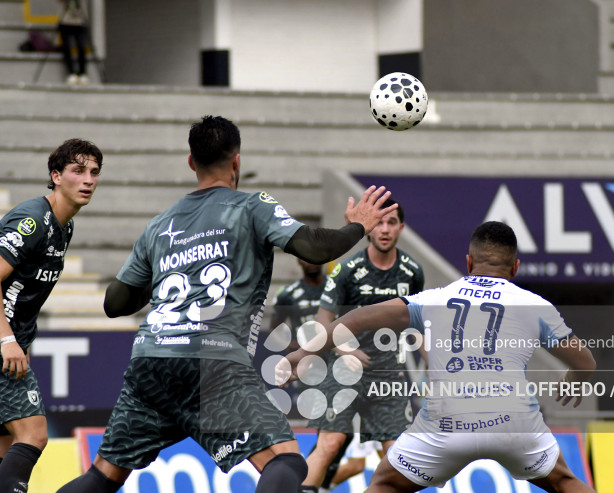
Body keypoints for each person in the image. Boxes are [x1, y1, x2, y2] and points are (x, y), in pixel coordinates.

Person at [56, 115, 399, 493]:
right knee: (285, 460)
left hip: (150, 362)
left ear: (192, 162)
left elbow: (114, 302)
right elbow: (316, 249)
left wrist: (172, 268)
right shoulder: (251, 206)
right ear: (237, 160)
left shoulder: (160, 225)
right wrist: (358, 226)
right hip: (213, 363)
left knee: (103, 474)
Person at [286, 221, 597, 493]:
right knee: (564, 481)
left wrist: (304, 352)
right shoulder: (535, 305)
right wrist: (574, 379)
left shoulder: (435, 299)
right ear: (515, 267)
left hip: (446, 423)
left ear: (468, 262)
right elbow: (586, 362)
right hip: (513, 422)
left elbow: (358, 318)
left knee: (385, 485)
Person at [301, 199, 424, 493]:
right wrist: (345, 350)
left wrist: (435, 371)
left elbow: (422, 326)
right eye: (379, 222)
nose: (384, 229)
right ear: (369, 228)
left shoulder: (412, 273)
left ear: (401, 228)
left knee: (398, 456)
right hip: (343, 371)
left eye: (391, 222)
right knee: (330, 444)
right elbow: (321, 324)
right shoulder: (346, 269)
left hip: (388, 376)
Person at [0, 139, 102, 493]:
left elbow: (27, 293)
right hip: (1, 342)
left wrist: (24, 339)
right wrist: (7, 339)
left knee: (5, 446)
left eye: (93, 172)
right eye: (78, 171)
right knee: (33, 434)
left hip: (13, 343)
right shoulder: (31, 221)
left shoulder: (65, 226)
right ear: (56, 176)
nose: (88, 179)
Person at [271, 258, 327, 352]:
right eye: (306, 258)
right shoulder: (288, 294)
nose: (311, 262)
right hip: (305, 357)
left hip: (335, 354)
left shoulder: (337, 287)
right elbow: (274, 329)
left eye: (315, 256)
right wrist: (285, 344)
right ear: (299, 260)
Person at [55, 0, 93, 86]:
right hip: (66, 19)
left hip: (80, 19)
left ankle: (82, 73)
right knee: (67, 48)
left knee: (81, 47)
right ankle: (71, 73)